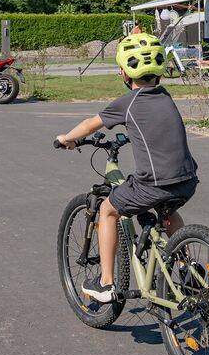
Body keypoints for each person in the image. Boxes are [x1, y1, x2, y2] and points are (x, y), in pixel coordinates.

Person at [55, 32, 199, 303]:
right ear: (160, 72)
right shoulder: (165, 95)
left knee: (108, 210)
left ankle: (106, 283)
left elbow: (89, 124)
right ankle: (186, 266)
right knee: (168, 210)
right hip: (187, 180)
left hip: (153, 185)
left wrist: (67, 139)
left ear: (123, 72)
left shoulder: (128, 103)